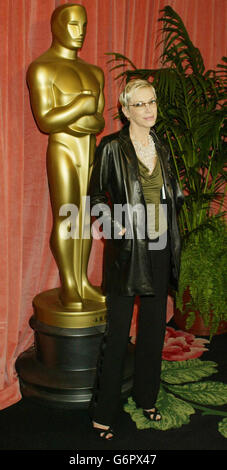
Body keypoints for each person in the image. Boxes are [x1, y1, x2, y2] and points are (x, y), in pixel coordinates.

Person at [88, 79, 184, 439]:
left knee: (153, 331)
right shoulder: (111, 147)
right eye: (140, 104)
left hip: (160, 249)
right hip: (128, 254)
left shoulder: (162, 143)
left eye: (152, 102)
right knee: (117, 337)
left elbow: (169, 192)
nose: (149, 109)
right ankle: (103, 414)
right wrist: (117, 227)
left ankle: (147, 397)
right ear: (125, 110)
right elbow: (95, 198)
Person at [26, 4, 105, 309]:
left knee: (85, 216)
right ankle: (68, 284)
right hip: (62, 148)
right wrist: (81, 108)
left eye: (83, 26)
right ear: (57, 27)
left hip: (89, 148)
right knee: (66, 215)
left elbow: (98, 121)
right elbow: (46, 120)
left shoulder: (93, 72)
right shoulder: (43, 68)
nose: (80, 32)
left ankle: (82, 281)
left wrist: (77, 113)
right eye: (73, 25)